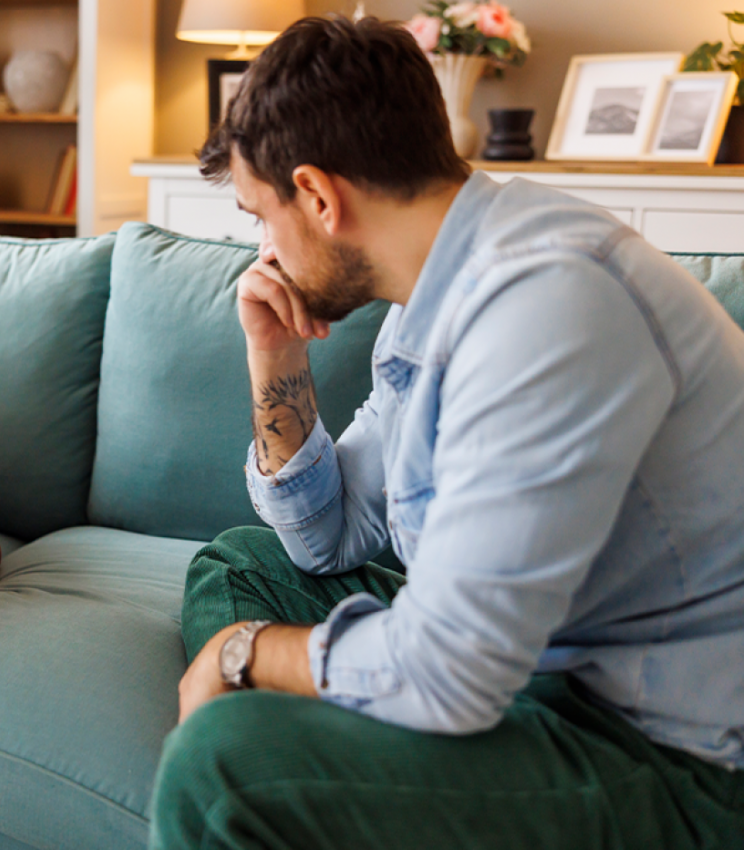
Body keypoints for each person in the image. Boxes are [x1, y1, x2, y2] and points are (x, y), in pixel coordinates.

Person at [151, 16, 744, 850]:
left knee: (221, 764)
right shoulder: (442, 287)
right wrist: (272, 353)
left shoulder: (547, 308)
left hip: (676, 754)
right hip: (535, 668)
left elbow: (450, 672)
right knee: (239, 562)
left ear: (319, 197)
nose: (265, 250)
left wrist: (237, 655)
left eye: (260, 214)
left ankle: (284, 783)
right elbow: (323, 542)